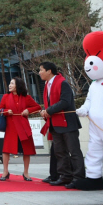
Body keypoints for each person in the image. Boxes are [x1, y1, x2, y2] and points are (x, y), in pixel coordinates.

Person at [39, 61, 84, 189]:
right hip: (55, 123)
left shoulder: (62, 83)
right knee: (60, 152)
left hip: (67, 123)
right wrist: (45, 111)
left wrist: (48, 111)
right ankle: (65, 176)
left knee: (74, 151)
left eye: (41, 70)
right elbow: (50, 104)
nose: (39, 73)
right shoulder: (47, 85)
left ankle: (78, 177)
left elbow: (65, 102)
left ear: (49, 71)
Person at [0, 76, 40, 181]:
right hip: (11, 127)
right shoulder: (5, 97)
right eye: (10, 83)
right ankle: (5, 171)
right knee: (6, 150)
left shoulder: (26, 97)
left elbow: (38, 107)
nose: (9, 85)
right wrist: (6, 111)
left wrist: (28, 111)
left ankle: (26, 172)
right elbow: (0, 109)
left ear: (18, 85)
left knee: (27, 150)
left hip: (23, 127)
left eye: (12, 83)